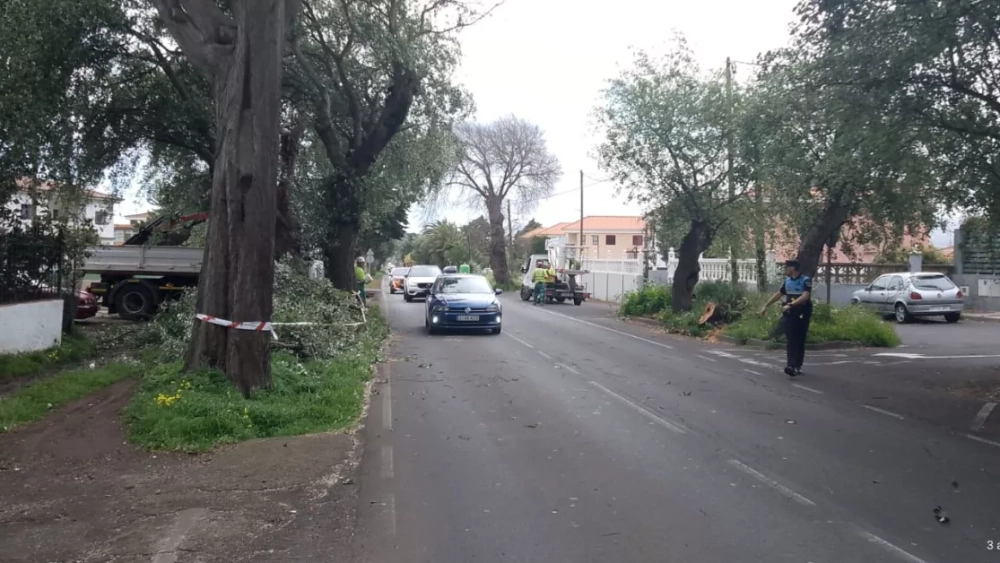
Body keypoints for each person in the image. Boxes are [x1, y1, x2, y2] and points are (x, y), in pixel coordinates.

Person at [760, 259, 813, 377]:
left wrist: (790, 305)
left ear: (792, 268)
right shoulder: (787, 281)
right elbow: (779, 294)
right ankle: (791, 365)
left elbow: (805, 296)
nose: (785, 270)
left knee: (800, 339)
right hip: (790, 313)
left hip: (803, 312)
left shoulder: (805, 280)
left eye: (786, 267)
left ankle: (797, 365)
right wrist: (766, 305)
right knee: (791, 339)